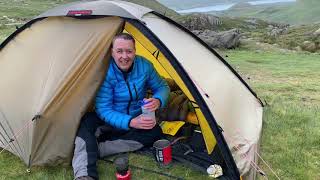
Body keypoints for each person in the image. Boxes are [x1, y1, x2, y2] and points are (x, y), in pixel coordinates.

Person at [72, 33, 170, 180]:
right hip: (108, 120)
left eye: (129, 51)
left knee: (155, 131)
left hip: (136, 118)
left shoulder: (145, 66)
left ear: (135, 51)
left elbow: (162, 87)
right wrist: (129, 121)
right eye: (119, 51)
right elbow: (103, 109)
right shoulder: (105, 71)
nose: (124, 56)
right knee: (86, 123)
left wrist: (157, 100)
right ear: (112, 52)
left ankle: (95, 149)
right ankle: (85, 175)